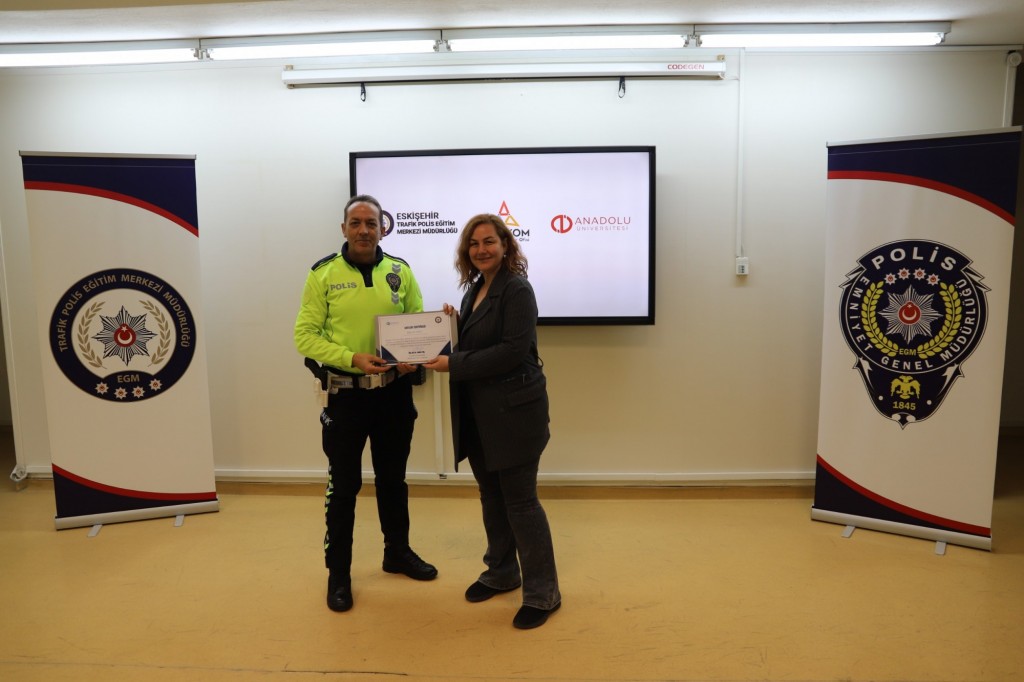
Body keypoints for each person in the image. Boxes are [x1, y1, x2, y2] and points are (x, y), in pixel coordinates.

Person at [294, 194, 437, 613]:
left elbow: (416, 324)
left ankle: (397, 553)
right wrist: (350, 358)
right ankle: (339, 574)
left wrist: (413, 358)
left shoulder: (400, 271)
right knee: (344, 488)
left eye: (371, 223)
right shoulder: (322, 274)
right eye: (355, 223)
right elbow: (305, 337)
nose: (363, 230)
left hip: (394, 395)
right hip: (346, 399)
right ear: (344, 229)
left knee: (393, 480)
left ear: (382, 229)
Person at [424, 214, 561, 629]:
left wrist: (453, 363)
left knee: (521, 503)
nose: (481, 249)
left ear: (505, 246)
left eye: (489, 242)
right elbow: (479, 339)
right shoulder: (474, 289)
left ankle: (543, 593)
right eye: (474, 244)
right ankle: (502, 572)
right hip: (481, 414)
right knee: (492, 497)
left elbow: (512, 351)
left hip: (515, 413)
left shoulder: (517, 289)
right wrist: (452, 324)